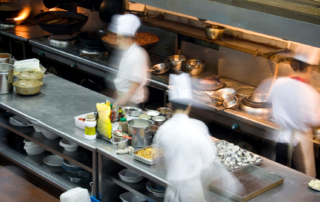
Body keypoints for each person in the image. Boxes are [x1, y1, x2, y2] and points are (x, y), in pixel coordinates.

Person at [153, 73, 241, 202]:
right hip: (192, 193)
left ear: (170, 105)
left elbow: (158, 160)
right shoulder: (197, 127)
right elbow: (208, 160)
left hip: (172, 192)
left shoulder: (163, 129)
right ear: (189, 105)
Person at [267, 59, 320, 177]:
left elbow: (269, 100)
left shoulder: (279, 82)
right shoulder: (310, 93)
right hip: (299, 144)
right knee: (302, 181)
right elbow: (316, 120)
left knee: (280, 176)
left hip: (281, 139)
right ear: (308, 68)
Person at [109, 14, 150, 107]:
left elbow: (137, 81)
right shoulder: (127, 51)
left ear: (127, 39)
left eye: (119, 38)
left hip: (132, 103)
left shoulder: (136, 54)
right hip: (125, 99)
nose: (117, 41)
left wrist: (124, 98)